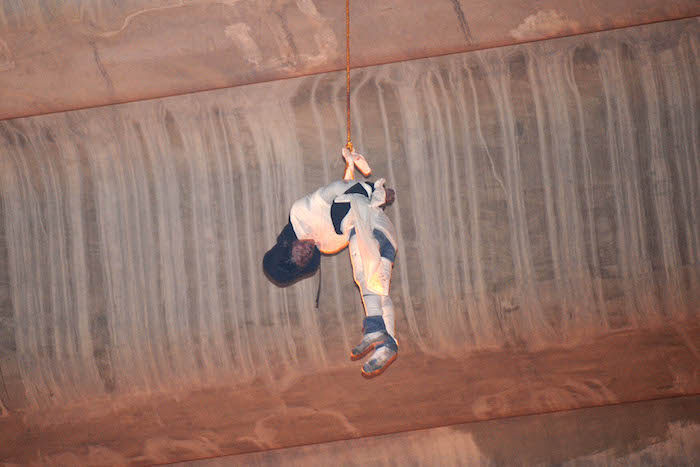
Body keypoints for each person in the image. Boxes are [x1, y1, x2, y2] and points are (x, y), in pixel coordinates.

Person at [263, 148, 398, 377]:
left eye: (299, 253)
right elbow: (347, 201)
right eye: (304, 260)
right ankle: (388, 342)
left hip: (372, 230)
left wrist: (373, 191)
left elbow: (336, 192)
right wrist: (367, 190)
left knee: (364, 268)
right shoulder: (326, 245)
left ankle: (375, 324)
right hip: (382, 237)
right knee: (379, 288)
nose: (306, 252)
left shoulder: (300, 214)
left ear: (287, 246)